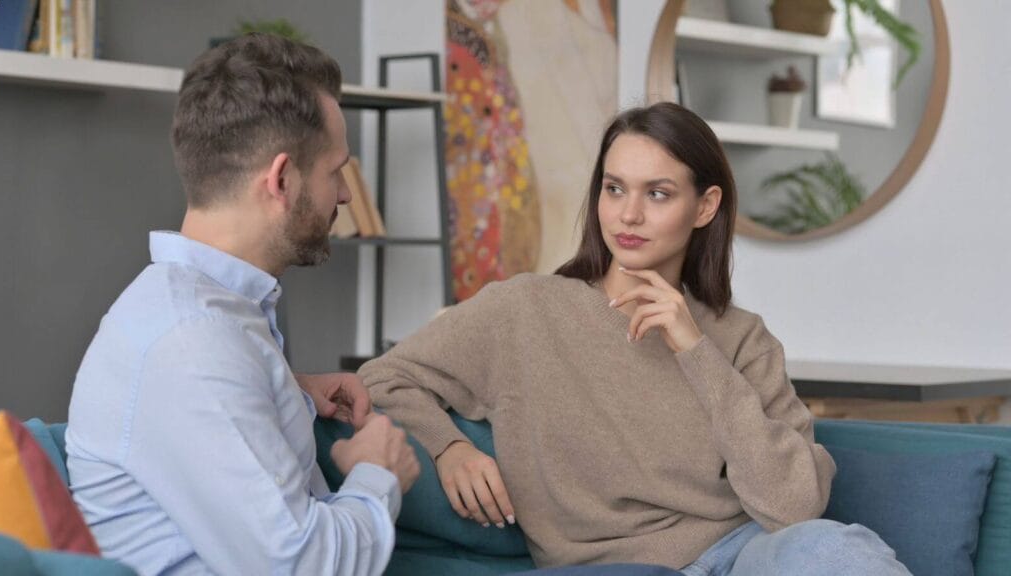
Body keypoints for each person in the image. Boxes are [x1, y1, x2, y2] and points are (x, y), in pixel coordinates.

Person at [359, 102, 911, 575]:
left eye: (658, 194)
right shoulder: (524, 311)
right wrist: (449, 447)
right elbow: (383, 378)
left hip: (746, 554)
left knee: (835, 550)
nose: (628, 214)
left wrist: (695, 350)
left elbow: (795, 507)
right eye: (614, 188)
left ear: (705, 206)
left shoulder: (743, 338)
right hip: (619, 568)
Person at [65, 34, 420, 576]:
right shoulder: (192, 343)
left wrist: (284, 388)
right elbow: (304, 566)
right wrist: (377, 473)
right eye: (335, 171)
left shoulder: (209, 320)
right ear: (281, 180)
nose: (346, 195)